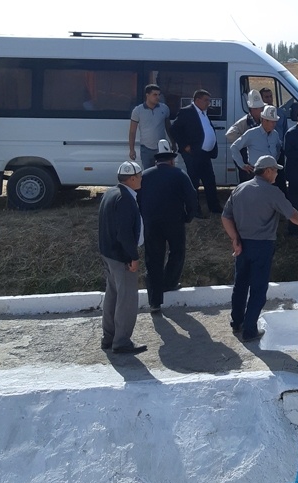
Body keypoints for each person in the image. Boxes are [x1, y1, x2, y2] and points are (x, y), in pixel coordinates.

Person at [221, 155, 298, 342]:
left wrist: (234, 239)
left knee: (240, 285)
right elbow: (292, 214)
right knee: (258, 288)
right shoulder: (272, 192)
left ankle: (236, 322)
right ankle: (249, 330)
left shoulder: (239, 189)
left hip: (242, 244)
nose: (277, 173)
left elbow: (225, 217)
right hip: (262, 245)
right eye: (276, 170)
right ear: (268, 171)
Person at [138, 139, 197, 315]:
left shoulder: (145, 175)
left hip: (151, 223)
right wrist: (188, 216)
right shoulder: (180, 175)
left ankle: (154, 302)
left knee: (153, 260)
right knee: (177, 252)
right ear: (171, 159)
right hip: (174, 222)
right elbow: (192, 199)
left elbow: (137, 199)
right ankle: (169, 282)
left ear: (157, 160)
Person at [98, 161, 147, 354]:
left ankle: (108, 338)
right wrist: (133, 256)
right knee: (126, 299)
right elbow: (124, 233)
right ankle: (122, 341)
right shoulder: (126, 199)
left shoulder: (110, 193)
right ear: (132, 178)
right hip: (121, 256)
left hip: (108, 253)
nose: (142, 179)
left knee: (112, 295)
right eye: (140, 176)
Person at [169, 89, 219, 216]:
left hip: (205, 153)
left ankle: (214, 207)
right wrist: (184, 145)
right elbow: (174, 129)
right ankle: (194, 210)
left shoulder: (204, 113)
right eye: (206, 100)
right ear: (197, 100)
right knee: (194, 182)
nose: (209, 103)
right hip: (193, 153)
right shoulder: (187, 112)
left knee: (210, 181)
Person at [128, 84, 173, 169]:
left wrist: (173, 142)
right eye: (155, 95)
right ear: (147, 95)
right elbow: (132, 131)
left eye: (159, 95)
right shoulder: (138, 110)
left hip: (161, 147)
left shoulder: (164, 108)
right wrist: (131, 150)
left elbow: (168, 127)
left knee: (162, 171)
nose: (157, 97)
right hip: (146, 148)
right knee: (147, 172)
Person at [226, 89, 264, 184]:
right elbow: (230, 135)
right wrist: (245, 141)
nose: (262, 111)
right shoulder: (243, 122)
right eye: (260, 109)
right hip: (246, 160)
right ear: (253, 109)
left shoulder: (262, 121)